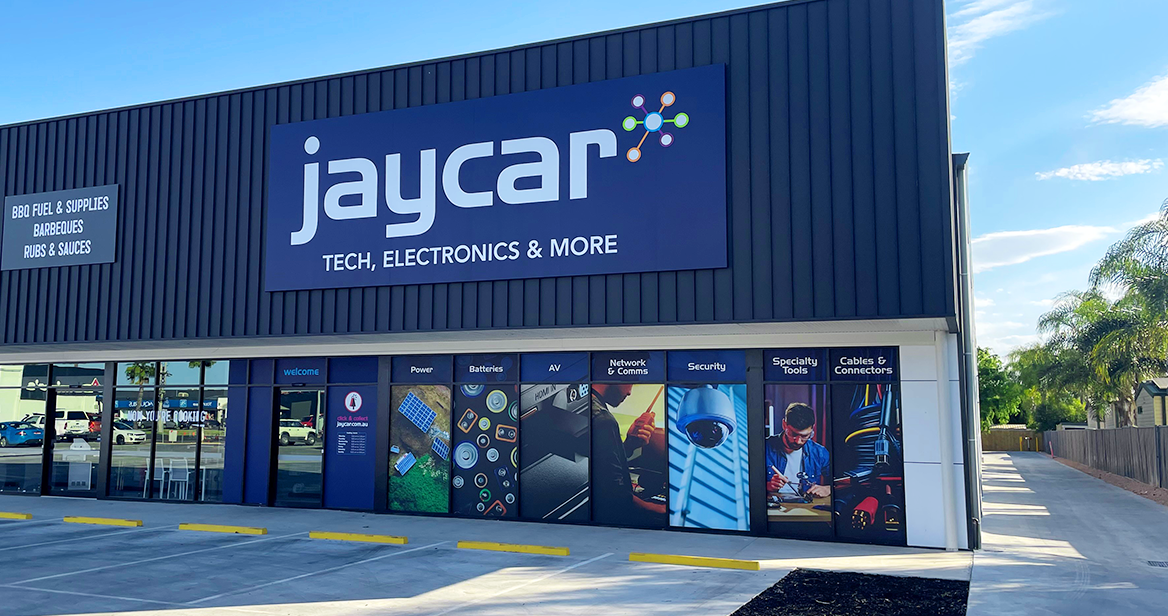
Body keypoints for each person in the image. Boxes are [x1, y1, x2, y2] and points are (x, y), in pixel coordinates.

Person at [591, 384, 666, 526]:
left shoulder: (585, 405)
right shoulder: (603, 420)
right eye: (630, 381)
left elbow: (600, 466)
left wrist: (629, 445)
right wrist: (661, 510)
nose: (630, 392)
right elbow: (617, 498)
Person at [765, 403, 831, 500]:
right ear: (784, 424)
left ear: (812, 428)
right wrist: (767, 486)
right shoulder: (764, 448)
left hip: (806, 506)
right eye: (793, 434)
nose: (798, 441)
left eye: (805, 436)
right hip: (774, 506)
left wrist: (828, 489)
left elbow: (840, 483)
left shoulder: (820, 453)